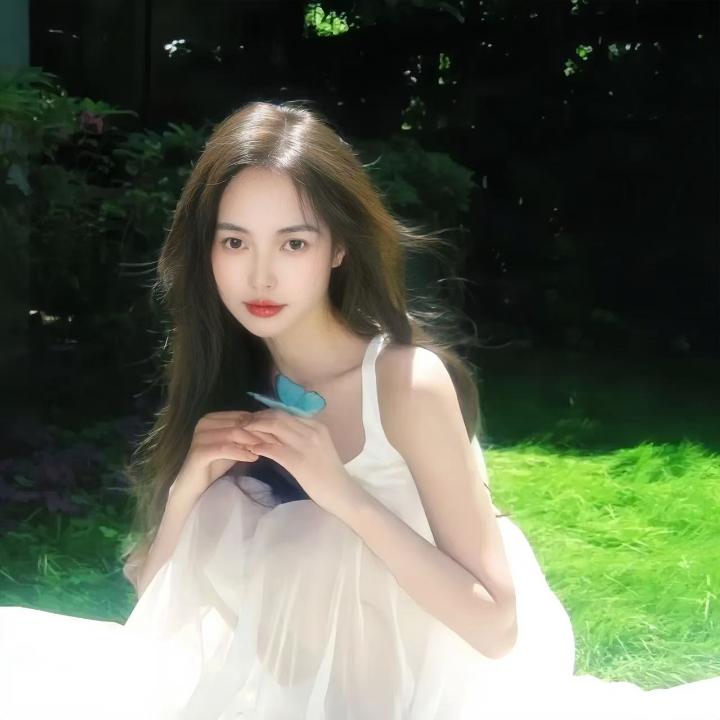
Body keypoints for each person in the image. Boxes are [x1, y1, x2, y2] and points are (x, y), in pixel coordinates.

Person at [1, 100, 718, 720]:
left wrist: (340, 494)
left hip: (443, 687)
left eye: (294, 242)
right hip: (310, 687)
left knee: (316, 531)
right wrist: (189, 484)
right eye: (234, 242)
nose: (260, 275)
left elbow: (498, 627)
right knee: (226, 507)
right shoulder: (229, 379)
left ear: (338, 247)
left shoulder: (405, 384)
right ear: (206, 251)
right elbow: (157, 599)